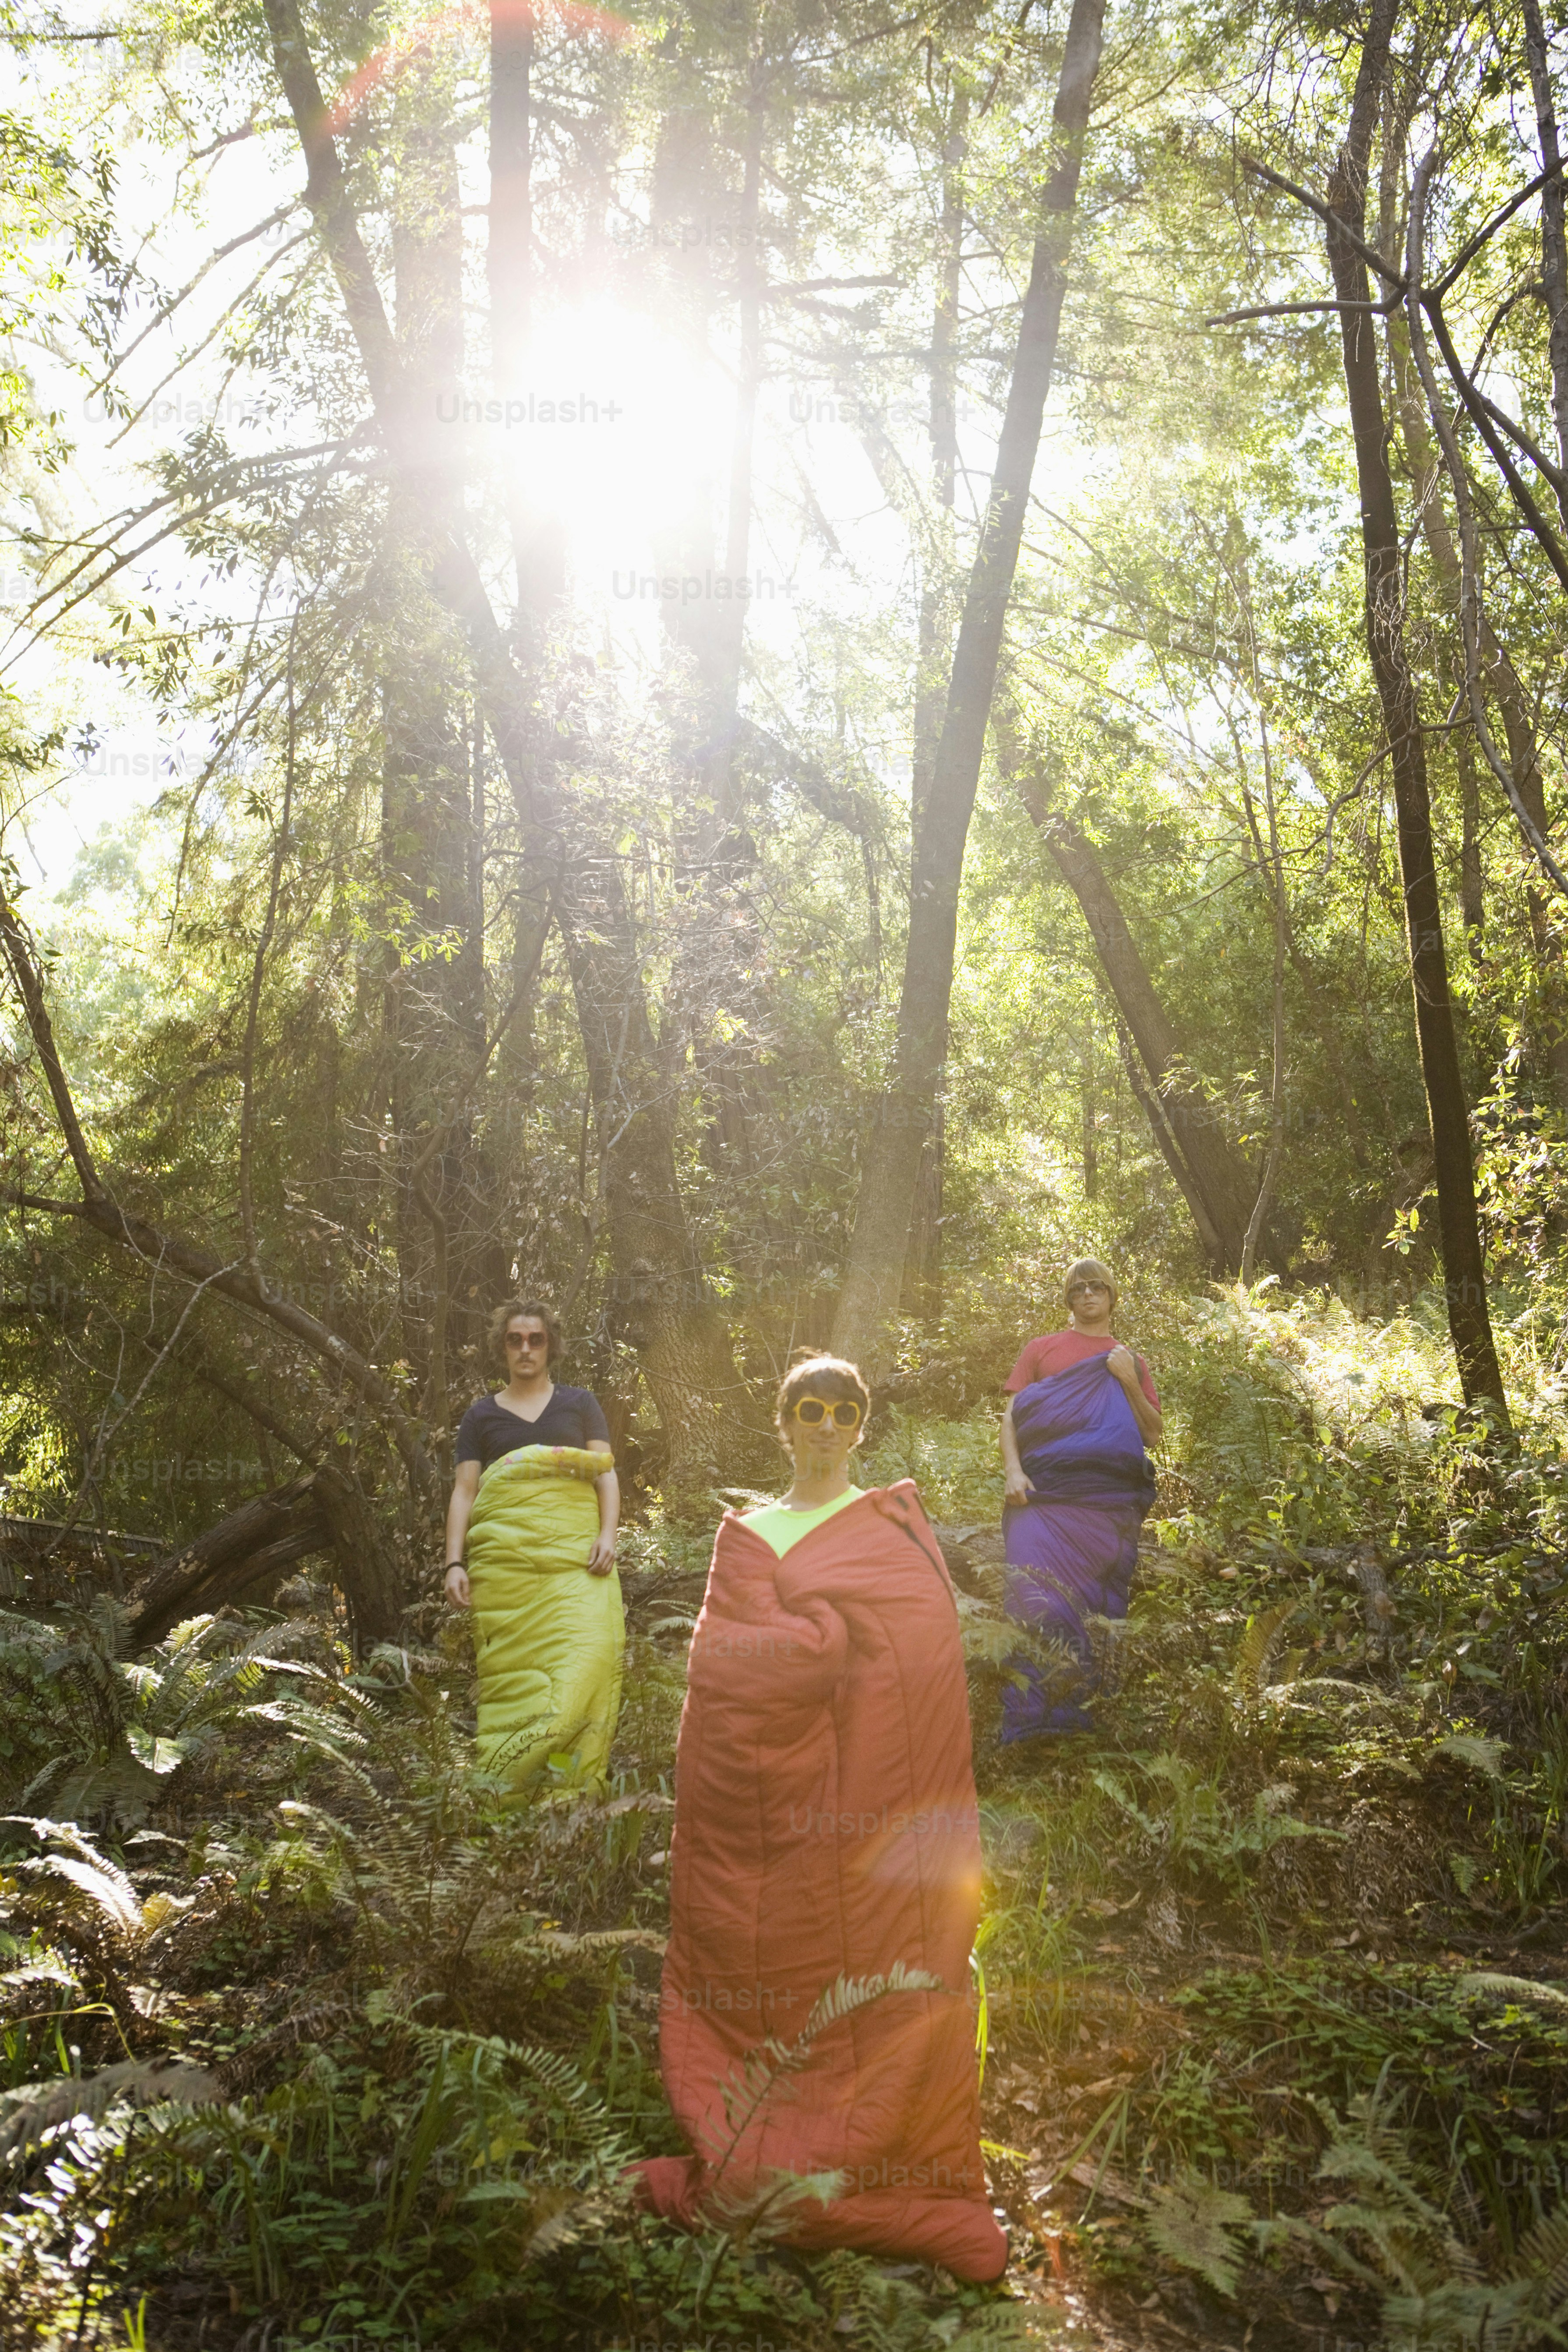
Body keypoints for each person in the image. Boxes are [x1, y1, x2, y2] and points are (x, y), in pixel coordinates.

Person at [637, 1355, 1006, 2283]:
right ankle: (768, 2134)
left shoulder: (886, 1531)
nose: (825, 1424)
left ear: (859, 1425)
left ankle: (891, 2157)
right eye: (808, 1407)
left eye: (843, 1410)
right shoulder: (748, 1538)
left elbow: (923, 1667)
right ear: (783, 1419)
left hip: (869, 1811)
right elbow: (721, 1675)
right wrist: (806, 1652)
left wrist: (835, 1650)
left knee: (881, 1961)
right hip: (776, 1816)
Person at [443, 1299, 623, 1793]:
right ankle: (507, 1795)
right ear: (502, 1347)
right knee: (513, 1685)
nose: (526, 1349)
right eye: (515, 1340)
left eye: (535, 1339)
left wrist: (607, 1536)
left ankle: (572, 1799)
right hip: (507, 1574)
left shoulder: (579, 1403)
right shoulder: (480, 1417)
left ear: (550, 1346)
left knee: (590, 1659)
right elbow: (466, 1491)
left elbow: (604, 1476)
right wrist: (454, 1562)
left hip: (577, 1561)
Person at [997, 1258, 1162, 1739]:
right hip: (1041, 1497)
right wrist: (1013, 1470)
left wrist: (1128, 1379)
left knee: (1095, 1606)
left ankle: (1084, 1717)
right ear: (1068, 1299)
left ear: (1112, 1296)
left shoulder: (1129, 1359)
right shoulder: (1041, 1350)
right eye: (1078, 1289)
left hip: (1106, 1503)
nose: (1088, 1295)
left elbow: (1152, 1435)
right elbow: (1010, 1419)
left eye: (1097, 1287)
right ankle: (1029, 1719)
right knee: (1029, 1595)